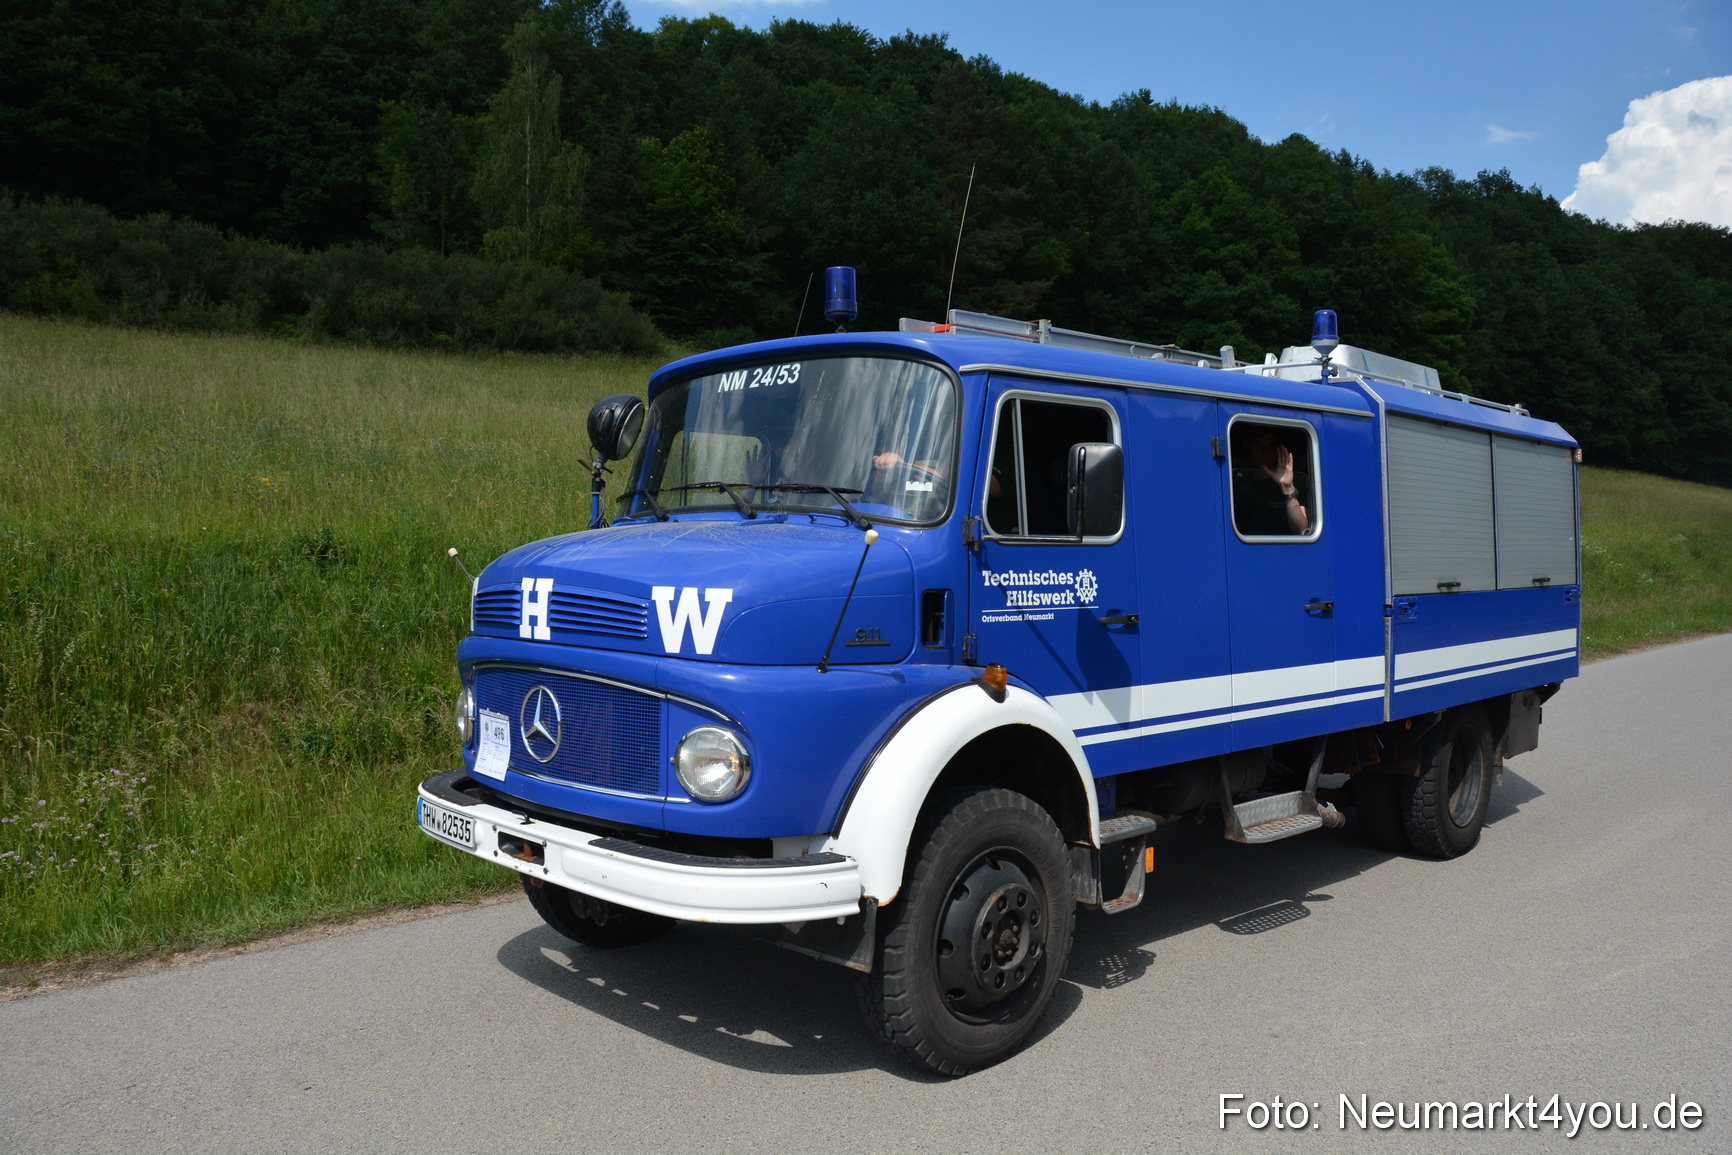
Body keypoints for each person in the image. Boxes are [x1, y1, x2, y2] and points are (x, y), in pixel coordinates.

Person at [1233, 430, 1312, 536]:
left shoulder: (1297, 481)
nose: (1266, 452)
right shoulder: (1238, 483)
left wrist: (1287, 487)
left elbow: (1301, 530)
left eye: (1271, 446)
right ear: (1247, 446)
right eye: (1258, 445)